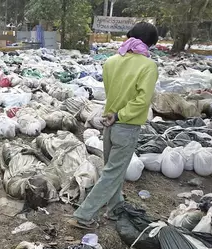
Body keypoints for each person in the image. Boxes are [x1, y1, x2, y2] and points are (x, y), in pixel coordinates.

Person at [67, 22, 159, 229]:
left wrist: (114, 115)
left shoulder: (111, 61)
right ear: (151, 44)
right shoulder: (148, 66)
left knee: (112, 170)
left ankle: (115, 207)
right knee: (113, 173)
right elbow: (142, 101)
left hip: (109, 123)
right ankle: (83, 215)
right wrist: (121, 115)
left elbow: (111, 93)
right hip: (125, 125)